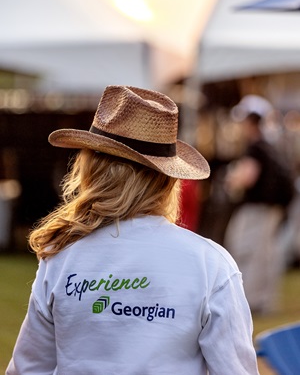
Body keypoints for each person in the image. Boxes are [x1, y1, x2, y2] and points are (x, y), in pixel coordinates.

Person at [6, 85, 259, 375]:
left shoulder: (61, 258)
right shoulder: (210, 264)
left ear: (90, 169)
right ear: (168, 180)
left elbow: (28, 369)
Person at [224, 96, 294, 315]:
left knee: (248, 251)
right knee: (263, 253)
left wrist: (230, 179)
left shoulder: (256, 148)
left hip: (258, 209)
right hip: (269, 209)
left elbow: (247, 178)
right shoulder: (270, 146)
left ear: (251, 121)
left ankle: (252, 301)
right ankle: (261, 300)